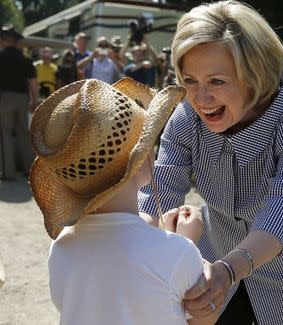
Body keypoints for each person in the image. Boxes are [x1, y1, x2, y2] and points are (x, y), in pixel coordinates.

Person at [138, 1, 283, 324]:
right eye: (190, 80)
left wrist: (228, 270)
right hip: (219, 252)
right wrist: (128, 238)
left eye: (217, 81)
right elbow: (159, 191)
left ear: (254, 75)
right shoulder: (186, 116)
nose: (200, 97)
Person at [29, 77, 217, 325]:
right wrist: (186, 243)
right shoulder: (178, 253)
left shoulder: (62, 247)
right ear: (142, 161)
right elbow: (203, 319)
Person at [0, 25, 38, 180]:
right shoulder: (26, 60)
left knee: (6, 134)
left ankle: (8, 173)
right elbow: (34, 83)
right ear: (16, 42)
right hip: (22, 98)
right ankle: (29, 169)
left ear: (2, 40)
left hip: (4, 98)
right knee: (23, 132)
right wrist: (34, 100)